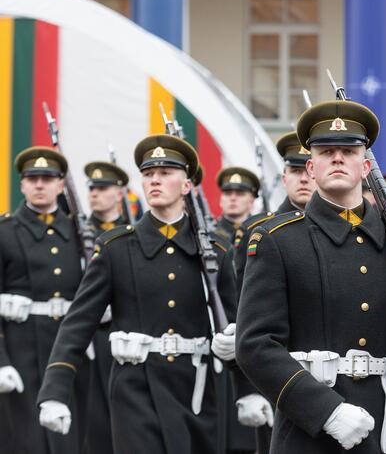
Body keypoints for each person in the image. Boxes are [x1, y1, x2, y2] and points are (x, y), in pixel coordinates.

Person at [235, 99, 386, 453]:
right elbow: (255, 345)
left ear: (366, 165)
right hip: (309, 431)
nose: (337, 158)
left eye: (348, 150)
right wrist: (325, 410)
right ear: (310, 167)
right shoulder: (277, 241)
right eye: (326, 151)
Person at [37, 135, 239, 454]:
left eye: (166, 173)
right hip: (134, 389)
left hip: (197, 389)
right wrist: (54, 392)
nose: (154, 180)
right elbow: (78, 323)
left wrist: (249, 390)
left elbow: (236, 326)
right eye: (148, 174)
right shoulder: (116, 248)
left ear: (187, 185)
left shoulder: (216, 250)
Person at [0, 147, 84, 453]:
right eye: (32, 178)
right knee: (24, 440)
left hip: (68, 354)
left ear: (60, 185)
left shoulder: (79, 233)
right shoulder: (5, 232)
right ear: (21, 185)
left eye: (47, 178)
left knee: (69, 439)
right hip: (19, 356)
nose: (39, 185)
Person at [83, 160, 134, 454]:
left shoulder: (131, 233)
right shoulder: (79, 230)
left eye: (102, 189)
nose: (95, 194)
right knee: (94, 419)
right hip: (92, 336)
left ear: (119, 193)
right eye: (92, 189)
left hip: (125, 333)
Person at [234, 131, 316, 286]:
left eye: (309, 171)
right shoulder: (255, 229)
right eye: (296, 171)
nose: (304, 179)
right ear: (284, 180)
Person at [216, 166, 260, 244]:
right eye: (227, 194)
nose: (233, 198)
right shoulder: (209, 232)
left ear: (251, 201)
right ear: (221, 200)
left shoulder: (260, 232)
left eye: (240, 194)